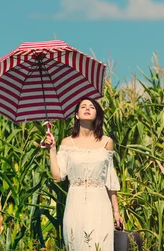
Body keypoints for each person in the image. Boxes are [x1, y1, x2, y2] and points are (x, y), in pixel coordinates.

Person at [43, 97, 123, 251]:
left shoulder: (107, 142)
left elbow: (110, 180)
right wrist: (52, 150)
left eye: (92, 107)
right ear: (77, 115)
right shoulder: (67, 143)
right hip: (75, 203)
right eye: (83, 106)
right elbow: (58, 177)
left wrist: (116, 212)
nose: (87, 108)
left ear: (97, 114)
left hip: (100, 204)